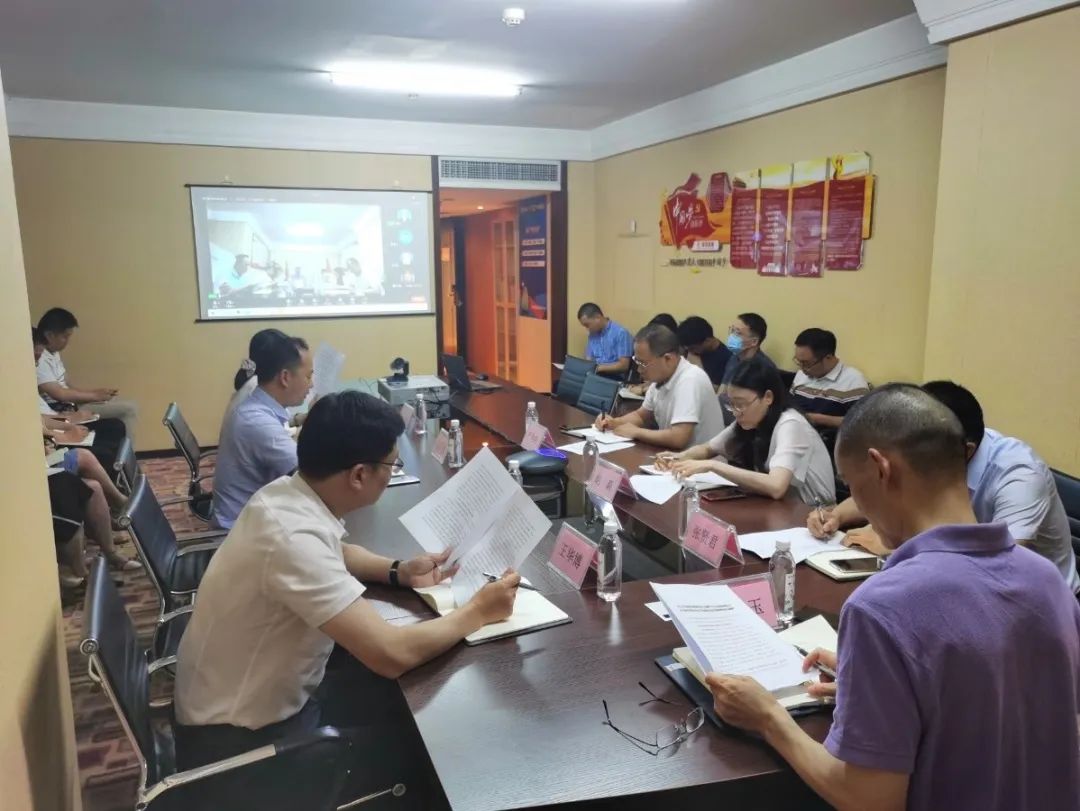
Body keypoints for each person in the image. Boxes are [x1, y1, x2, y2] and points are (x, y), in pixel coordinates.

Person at [709, 384, 1080, 811]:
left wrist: (768, 717)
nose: (857, 503)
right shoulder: (1048, 581)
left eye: (851, 484)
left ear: (880, 468)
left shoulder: (882, 607)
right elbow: (1008, 700)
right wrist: (887, 687)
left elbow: (869, 799)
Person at [174, 391, 520, 805]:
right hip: (242, 754)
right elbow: (391, 654)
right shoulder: (292, 538)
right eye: (391, 466)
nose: (392, 474)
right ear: (358, 475)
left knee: (393, 700)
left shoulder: (285, 495)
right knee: (432, 756)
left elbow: (335, 551)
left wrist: (398, 571)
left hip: (242, 708)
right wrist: (478, 611)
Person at [809, 380, 1079, 591]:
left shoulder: (1019, 474)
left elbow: (1000, 564)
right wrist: (837, 515)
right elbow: (884, 484)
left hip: (1032, 601)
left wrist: (902, 546)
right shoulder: (939, 448)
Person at [660, 359, 835, 505]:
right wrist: (678, 458)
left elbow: (776, 486)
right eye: (731, 404)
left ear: (768, 397)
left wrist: (713, 466)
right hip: (778, 508)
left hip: (813, 515)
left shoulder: (791, 423)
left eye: (741, 404)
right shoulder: (751, 420)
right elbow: (708, 448)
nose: (736, 412)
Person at [211, 332, 313, 529]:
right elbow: (311, 475)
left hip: (257, 515)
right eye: (308, 376)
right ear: (285, 377)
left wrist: (303, 420)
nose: (312, 383)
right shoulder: (256, 422)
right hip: (242, 531)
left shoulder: (259, 401)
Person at [594, 324, 724, 450]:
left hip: (703, 462)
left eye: (643, 364)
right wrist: (614, 423)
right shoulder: (660, 379)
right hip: (676, 457)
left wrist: (636, 432)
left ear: (668, 359)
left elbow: (679, 437)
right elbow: (641, 416)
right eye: (637, 362)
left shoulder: (690, 379)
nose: (639, 370)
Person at [36, 308, 139, 442]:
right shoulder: (40, 358)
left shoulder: (54, 353)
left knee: (121, 405)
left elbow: (68, 385)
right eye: (65, 337)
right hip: (63, 409)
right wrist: (94, 396)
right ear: (49, 335)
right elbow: (59, 394)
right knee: (129, 409)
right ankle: (128, 453)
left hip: (70, 405)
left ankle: (124, 451)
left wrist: (95, 394)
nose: (67, 341)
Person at [33, 328, 126, 472]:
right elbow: (38, 428)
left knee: (115, 427)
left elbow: (43, 419)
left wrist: (68, 421)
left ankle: (123, 474)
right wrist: (66, 433)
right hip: (52, 442)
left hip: (58, 424)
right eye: (35, 358)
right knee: (106, 453)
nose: (36, 365)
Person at [790, 328, 870, 429]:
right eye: (798, 361)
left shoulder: (853, 380)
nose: (802, 368)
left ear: (828, 358)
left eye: (806, 363)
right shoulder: (802, 374)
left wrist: (819, 419)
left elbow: (861, 423)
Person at [577, 302, 634, 379]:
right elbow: (588, 358)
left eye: (587, 325)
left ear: (597, 317)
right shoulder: (592, 334)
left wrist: (597, 368)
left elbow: (623, 365)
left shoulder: (621, 333)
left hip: (614, 376)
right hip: (596, 374)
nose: (587, 329)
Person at [721, 312, 775, 389]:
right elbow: (723, 388)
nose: (731, 336)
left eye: (737, 333)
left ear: (754, 342)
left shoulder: (764, 369)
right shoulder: (735, 357)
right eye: (732, 330)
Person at [677, 316, 733, 388]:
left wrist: (698, 368)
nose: (690, 352)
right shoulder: (691, 348)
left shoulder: (726, 358)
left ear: (707, 341)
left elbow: (715, 390)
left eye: (692, 348)